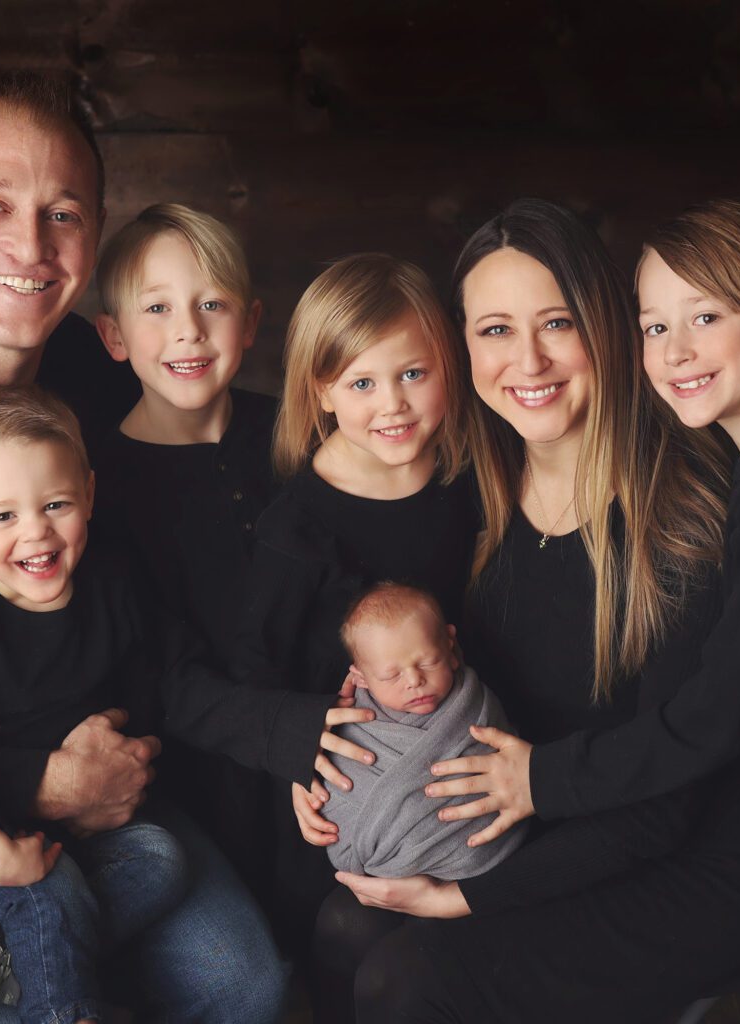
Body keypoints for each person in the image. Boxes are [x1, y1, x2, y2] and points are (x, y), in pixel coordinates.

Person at [0, 72, 365, 1024]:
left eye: (63, 213)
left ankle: (35, 943)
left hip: (87, 766)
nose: (29, 248)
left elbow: (218, 472)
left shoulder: (97, 370)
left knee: (245, 985)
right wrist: (33, 780)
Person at [303, 199, 740, 1023]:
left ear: (604, 326)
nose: (526, 359)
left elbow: (667, 802)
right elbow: (395, 651)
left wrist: (470, 897)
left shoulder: (685, 520)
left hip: (692, 858)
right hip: (544, 822)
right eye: (494, 329)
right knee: (341, 920)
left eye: (556, 322)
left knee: (407, 975)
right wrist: (330, 758)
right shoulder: (472, 490)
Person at [451, 199, 740, 1021]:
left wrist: (542, 779)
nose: (676, 351)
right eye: (655, 326)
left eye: (705, 316)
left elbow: (715, 719)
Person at [0, 385, 191, 1024]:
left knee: (165, 862)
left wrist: (128, 759)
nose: (36, 531)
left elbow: (148, 687)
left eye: (56, 504)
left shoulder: (113, 581)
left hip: (76, 828)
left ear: (88, 493)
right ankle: (68, 1010)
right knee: (45, 892)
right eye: (1, 516)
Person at [229, 252, 478, 955]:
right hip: (338, 783)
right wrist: (294, 773)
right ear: (322, 391)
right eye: (362, 381)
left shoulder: (464, 482)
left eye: (413, 374)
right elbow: (257, 671)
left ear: (446, 369)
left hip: (448, 757)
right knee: (342, 935)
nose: (392, 403)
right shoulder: (298, 526)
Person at [92, 203, 276, 895]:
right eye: (158, 309)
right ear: (114, 336)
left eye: (211, 304)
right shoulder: (101, 483)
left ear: (251, 323)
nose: (189, 331)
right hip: (193, 771)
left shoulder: (298, 437)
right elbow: (154, 674)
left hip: (320, 736)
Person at [322, 581, 527, 880]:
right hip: (382, 863)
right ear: (361, 679)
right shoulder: (350, 726)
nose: (414, 680)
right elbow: (336, 797)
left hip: (483, 862)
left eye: (429, 662)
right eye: (391, 675)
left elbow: (509, 770)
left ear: (451, 649)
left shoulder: (478, 706)